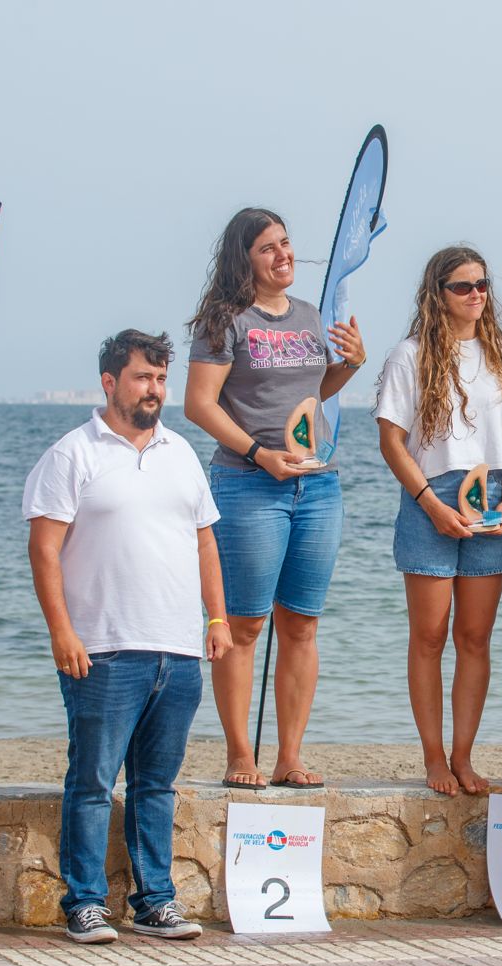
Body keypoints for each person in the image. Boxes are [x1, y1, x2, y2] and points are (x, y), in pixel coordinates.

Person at [24, 329, 230, 944]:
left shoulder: (181, 452)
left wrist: (216, 620)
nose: (155, 390)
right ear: (110, 382)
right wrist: (62, 631)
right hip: (104, 649)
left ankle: (155, 902)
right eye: (143, 377)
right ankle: (84, 903)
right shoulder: (72, 454)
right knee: (91, 780)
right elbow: (44, 550)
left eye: (162, 378)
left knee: (156, 785)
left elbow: (205, 542)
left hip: (178, 649)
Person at [183, 207, 367, 790]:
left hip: (317, 485)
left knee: (302, 626)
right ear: (245, 258)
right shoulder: (225, 320)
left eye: (286, 244)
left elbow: (314, 389)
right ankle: (241, 756)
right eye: (269, 248)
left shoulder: (310, 316)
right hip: (249, 485)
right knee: (244, 626)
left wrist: (351, 367)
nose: (284, 255)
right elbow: (199, 405)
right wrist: (259, 454)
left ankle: (290, 757)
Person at [375, 246, 502, 797]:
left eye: (483, 284)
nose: (477, 295)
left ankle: (464, 756)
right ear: (438, 293)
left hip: (491, 494)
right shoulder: (411, 354)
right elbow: (391, 441)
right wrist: (430, 503)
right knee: (429, 635)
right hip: (433, 495)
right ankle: (433, 758)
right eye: (464, 286)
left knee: (475, 637)